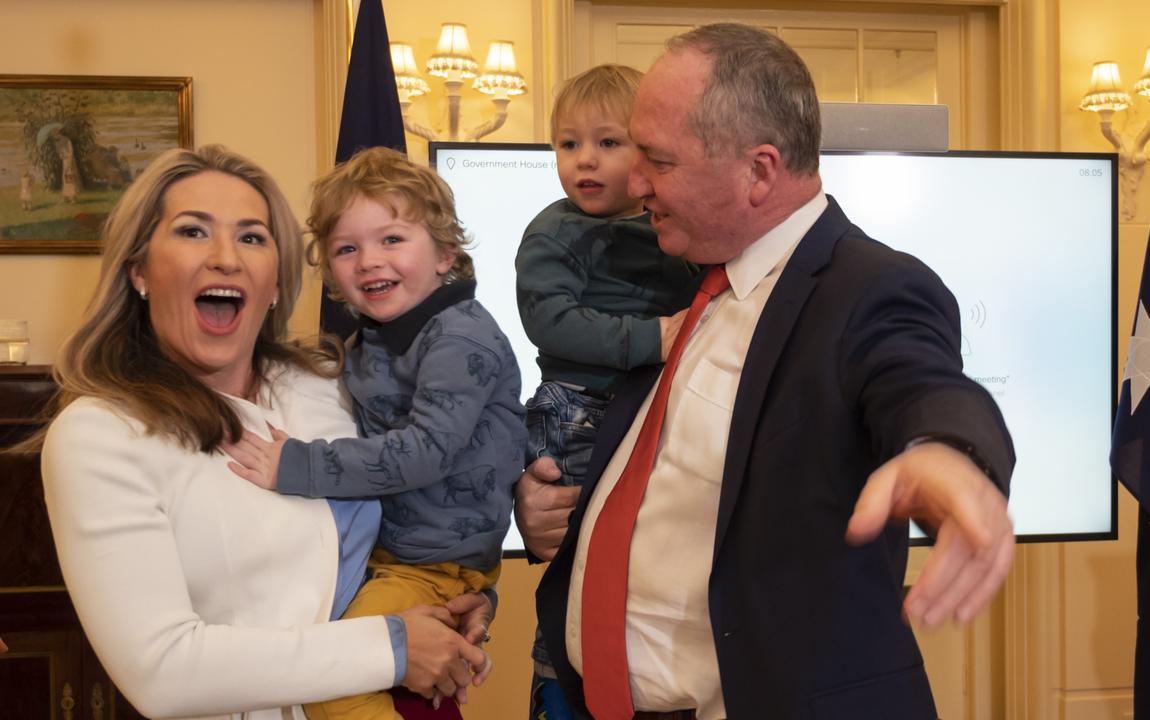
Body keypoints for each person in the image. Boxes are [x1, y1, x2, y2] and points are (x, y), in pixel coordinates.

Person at [516, 23, 1016, 719]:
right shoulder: (677, 279)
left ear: (758, 171)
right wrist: (546, 505)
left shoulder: (868, 287)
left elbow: (922, 385)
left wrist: (950, 456)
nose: (634, 182)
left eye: (657, 160)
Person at [29, 144, 492, 719]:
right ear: (140, 270)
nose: (226, 257)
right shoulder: (99, 434)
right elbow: (162, 671)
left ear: (275, 282)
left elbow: (429, 475)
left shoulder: (330, 382)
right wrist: (394, 646)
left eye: (251, 237)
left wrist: (461, 592)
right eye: (193, 231)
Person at [224, 146, 526, 719]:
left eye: (391, 240)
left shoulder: (458, 339)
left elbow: (426, 451)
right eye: (346, 248)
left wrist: (297, 464)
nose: (368, 260)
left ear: (446, 253)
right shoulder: (372, 343)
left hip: (430, 566)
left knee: (334, 680)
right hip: (397, 555)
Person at [513, 63, 699, 718]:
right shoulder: (557, 232)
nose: (584, 161)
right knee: (589, 562)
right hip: (580, 410)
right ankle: (564, 680)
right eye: (568, 144)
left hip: (653, 408)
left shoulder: (674, 226)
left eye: (607, 143)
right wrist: (652, 340)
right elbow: (550, 321)